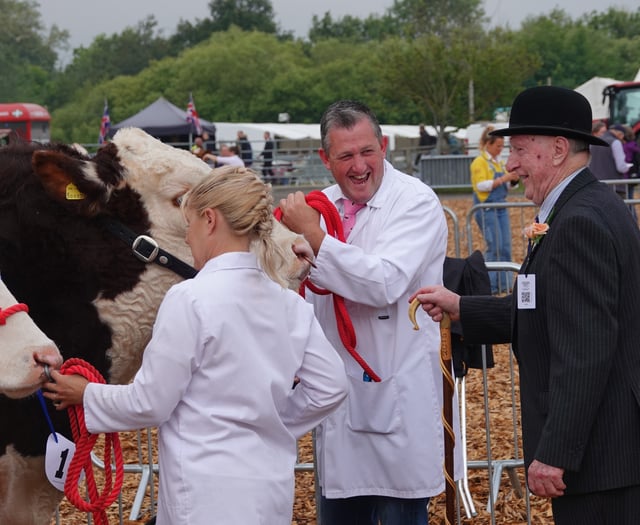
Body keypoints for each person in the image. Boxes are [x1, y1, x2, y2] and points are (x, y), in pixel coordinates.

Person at [44, 166, 349, 525]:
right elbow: (332, 386)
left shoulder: (190, 299)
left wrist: (86, 395)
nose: (188, 238)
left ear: (209, 220)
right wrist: (271, 423)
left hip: (205, 492)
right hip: (270, 488)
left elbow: (151, 402)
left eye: (187, 225)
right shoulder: (290, 304)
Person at [410, 86, 640, 525]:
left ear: (557, 150)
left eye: (518, 149)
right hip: (607, 454)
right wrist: (463, 306)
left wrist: (555, 454)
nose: (510, 163)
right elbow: (547, 311)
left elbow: (585, 353)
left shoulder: (578, 223)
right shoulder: (579, 208)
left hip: (602, 459)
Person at [278, 100, 461, 525]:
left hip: (396, 393)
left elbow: (384, 283)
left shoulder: (415, 201)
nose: (359, 166)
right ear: (325, 159)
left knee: (398, 510)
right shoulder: (317, 204)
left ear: (384, 147)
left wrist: (313, 236)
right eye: (345, 156)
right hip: (336, 399)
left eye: (367, 152)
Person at [470, 125, 520, 293]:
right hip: (487, 209)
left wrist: (512, 180)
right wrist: (504, 178)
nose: (500, 149)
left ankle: (505, 286)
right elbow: (481, 185)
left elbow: (508, 186)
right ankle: (490, 286)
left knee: (505, 246)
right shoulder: (480, 162)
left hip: (500, 207)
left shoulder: (499, 163)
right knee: (494, 247)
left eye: (501, 146)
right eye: (498, 145)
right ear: (488, 144)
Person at [589, 121, 632, 198]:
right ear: (620, 134)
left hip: (596, 186)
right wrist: (627, 167)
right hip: (614, 187)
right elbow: (621, 167)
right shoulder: (615, 142)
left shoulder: (592, 143)